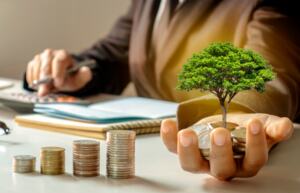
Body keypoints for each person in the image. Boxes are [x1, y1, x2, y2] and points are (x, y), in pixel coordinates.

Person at [24, 0, 299, 180]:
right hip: (154, 165)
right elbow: (113, 54)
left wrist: (235, 112)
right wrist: (80, 72)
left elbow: (269, 68)